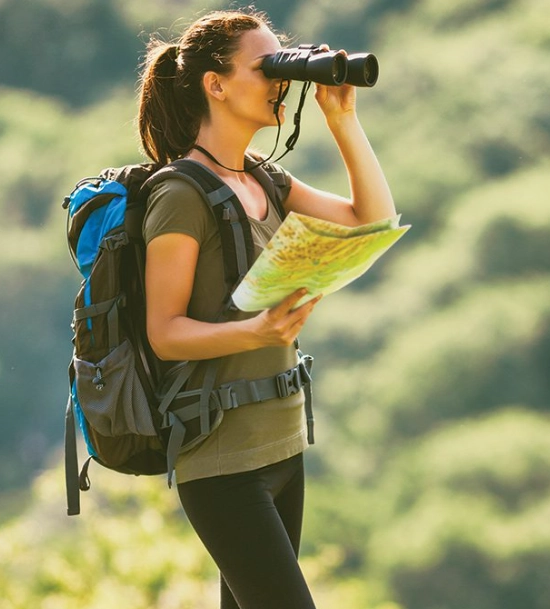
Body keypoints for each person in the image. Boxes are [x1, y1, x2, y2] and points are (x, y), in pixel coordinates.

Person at [137, 8, 396, 609]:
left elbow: (373, 221)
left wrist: (343, 119)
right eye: (268, 66)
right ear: (215, 84)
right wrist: (255, 332)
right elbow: (164, 333)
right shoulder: (179, 195)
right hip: (223, 458)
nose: (282, 80)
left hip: (282, 440)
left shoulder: (264, 178)